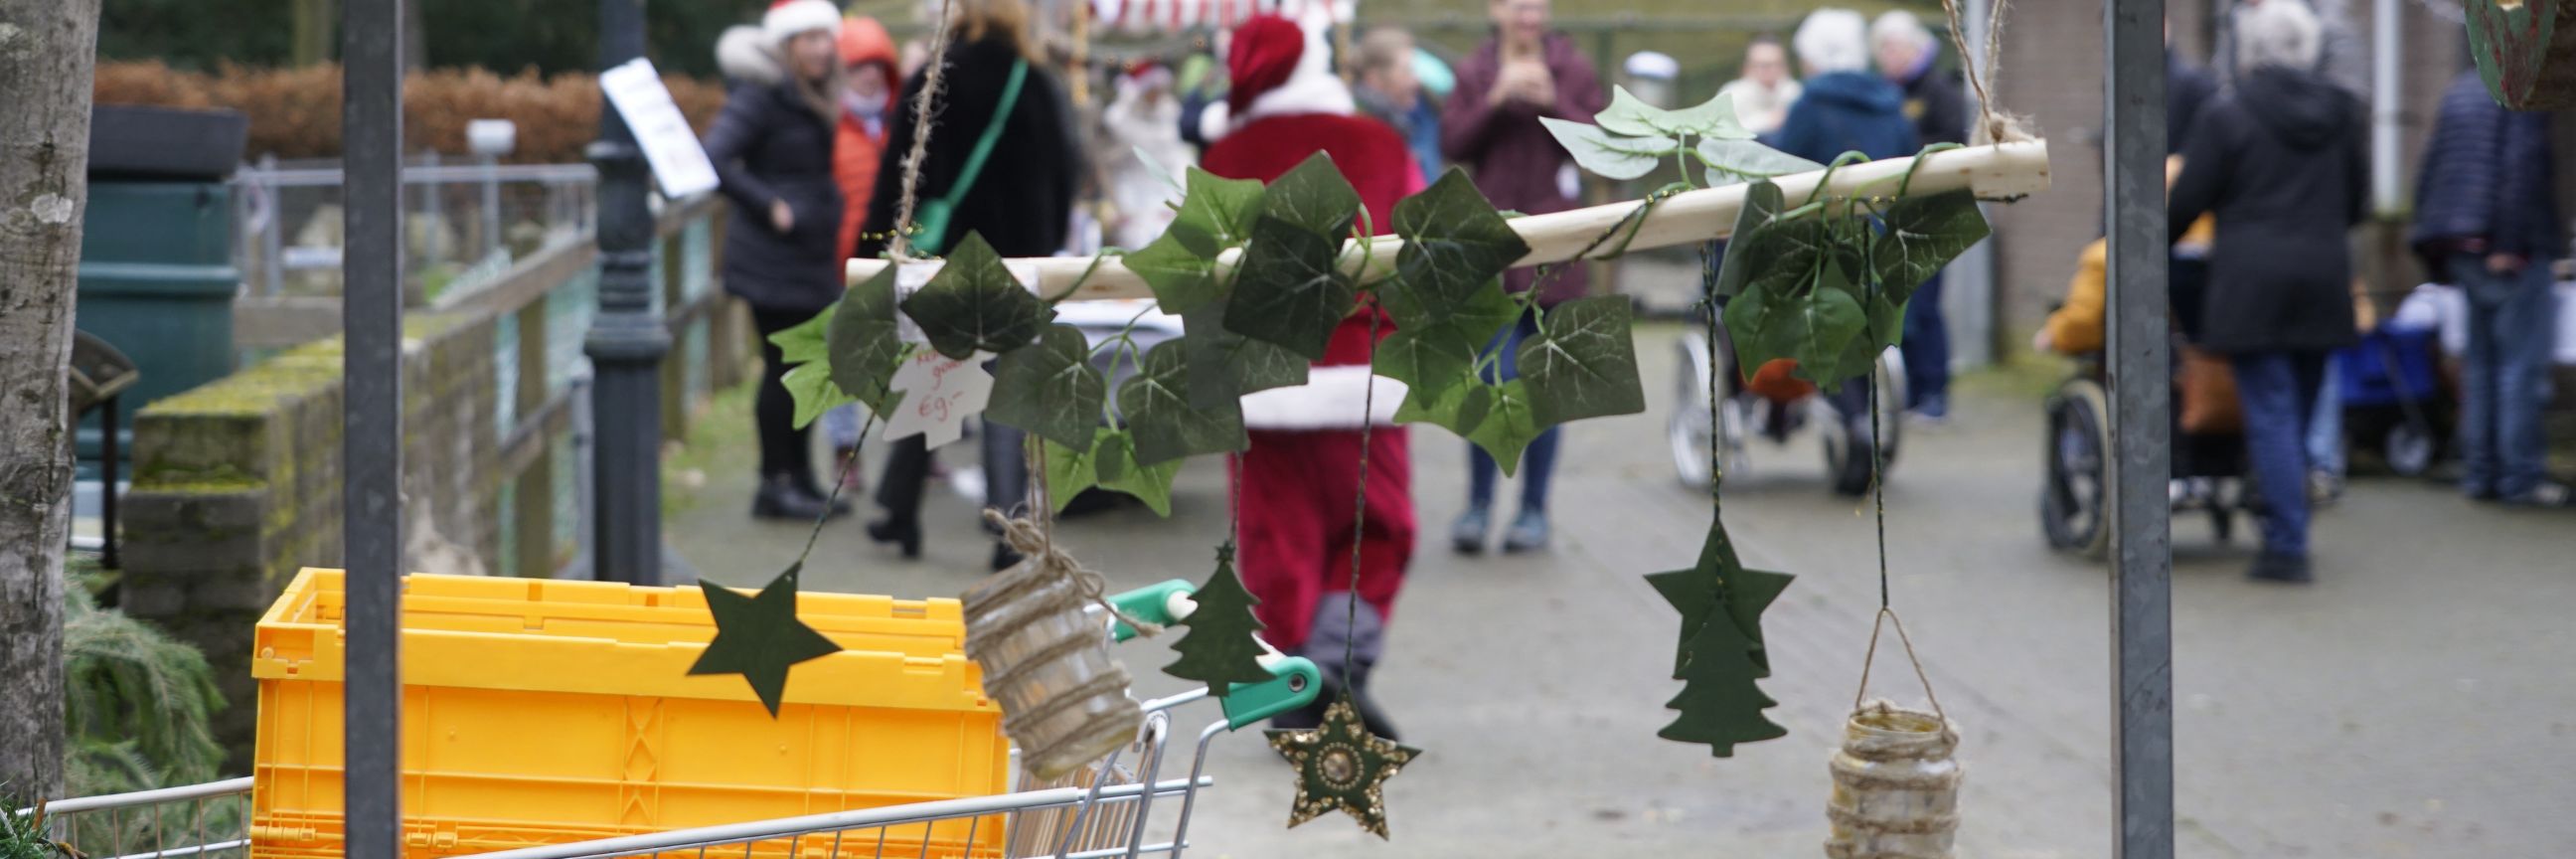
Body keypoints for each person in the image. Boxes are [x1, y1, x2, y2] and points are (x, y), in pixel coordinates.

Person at [1196, 12, 1420, 739]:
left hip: (1262, 378)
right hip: (1364, 370)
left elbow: (1197, 269)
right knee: (1377, 526)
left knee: (1274, 535)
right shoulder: (1378, 142)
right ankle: (1341, 665)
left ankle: (1298, 677)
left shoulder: (1225, 153)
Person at [859, 0, 1081, 570]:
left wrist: (877, 244)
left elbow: (900, 171)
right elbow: (1063, 168)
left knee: (934, 376)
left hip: (944, 256)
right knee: (1006, 388)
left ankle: (898, 512)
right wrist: (1049, 245)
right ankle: (1008, 529)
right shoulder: (1032, 81)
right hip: (1017, 258)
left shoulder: (932, 76)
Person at [2168, 0, 2365, 583]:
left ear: (2253, 48)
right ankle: (2278, 504)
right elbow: (2357, 202)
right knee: (2297, 414)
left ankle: (2286, 545)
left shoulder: (2228, 115)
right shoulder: (2345, 113)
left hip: (2253, 283)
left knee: (2273, 414)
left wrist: (2152, 242)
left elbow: (2189, 198)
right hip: (2324, 277)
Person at [1438, 0, 1606, 554]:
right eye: (1518, 5)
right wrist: (1494, 100)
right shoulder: (1474, 71)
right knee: (1488, 381)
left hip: (1558, 246)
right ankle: (1479, 505)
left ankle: (1534, 511)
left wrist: (1552, 102)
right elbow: (1453, 144)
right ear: (1496, 11)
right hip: (1490, 247)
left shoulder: (1574, 69)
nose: (1529, 16)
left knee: (1543, 388)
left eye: (1537, 5)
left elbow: (1604, 149)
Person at [706, 0, 851, 522]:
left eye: (824, 38)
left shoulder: (816, 93)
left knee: (808, 370)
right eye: (807, 39)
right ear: (786, 45)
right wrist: (772, 206)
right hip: (772, 261)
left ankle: (801, 477)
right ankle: (775, 484)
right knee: (781, 371)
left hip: (809, 257)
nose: (819, 48)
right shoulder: (761, 94)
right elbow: (716, 156)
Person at [2410, 67, 2563, 506]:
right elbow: (2523, 166)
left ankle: (2482, 473)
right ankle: (2520, 478)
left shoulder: (2459, 89)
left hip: (2461, 245)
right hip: (2506, 246)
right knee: (2520, 367)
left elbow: (2432, 165)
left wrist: (2434, 249)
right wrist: (2511, 243)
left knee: (2481, 364)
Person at [1766, 8, 1917, 453]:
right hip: (1886, 242)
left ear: (1812, 58)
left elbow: (1782, 168)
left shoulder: (1811, 105)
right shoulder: (1892, 105)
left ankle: (1818, 409)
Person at [814, 15, 903, 494]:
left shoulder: (901, 123)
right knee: (842, 363)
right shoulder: (829, 125)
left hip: (897, 257)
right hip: (840, 261)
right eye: (858, 66)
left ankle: (913, 456)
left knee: (908, 358)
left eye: (876, 66)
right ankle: (844, 453)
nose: (868, 75)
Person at [1869, 10, 1965, 422]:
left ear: (1914, 47)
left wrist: (1901, 153)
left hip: (1933, 211)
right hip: (1897, 214)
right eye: (1883, 49)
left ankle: (1935, 393)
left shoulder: (1936, 89)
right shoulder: (1884, 93)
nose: (1888, 56)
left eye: (1895, 47)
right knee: (1901, 302)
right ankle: (1909, 393)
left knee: (1924, 305)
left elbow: (1952, 138)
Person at [1100, 60, 1192, 252]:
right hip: (1133, 201)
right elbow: (1108, 166)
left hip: (1166, 200)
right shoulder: (1119, 122)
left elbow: (1178, 159)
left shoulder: (1169, 116)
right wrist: (1120, 205)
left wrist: (1179, 198)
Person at [1354, 27, 1445, 187]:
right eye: (1406, 71)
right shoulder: (1363, 129)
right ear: (1373, 79)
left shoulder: (1423, 110)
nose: (1415, 81)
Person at [1718, 35, 1801, 135]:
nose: (1770, 71)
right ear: (1746, 68)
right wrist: (1768, 120)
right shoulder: (1731, 95)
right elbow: (1716, 134)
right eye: (1763, 65)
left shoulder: (1794, 92)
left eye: (1777, 64)